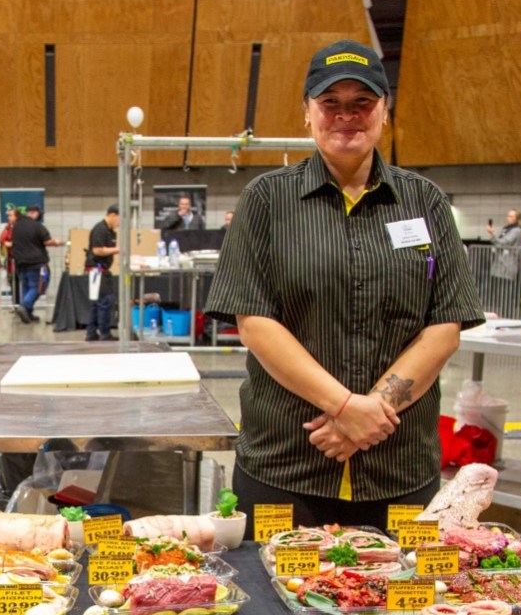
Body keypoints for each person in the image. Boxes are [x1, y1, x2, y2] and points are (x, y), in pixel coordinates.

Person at [204, 40, 483, 530]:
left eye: (362, 103)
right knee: (273, 603)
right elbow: (255, 323)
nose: (346, 116)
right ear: (306, 115)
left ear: (384, 113)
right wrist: (345, 408)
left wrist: (372, 414)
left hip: (396, 468)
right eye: (330, 103)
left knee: (401, 603)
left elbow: (444, 327)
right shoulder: (267, 201)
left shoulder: (425, 202)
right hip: (287, 464)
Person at [11, 205, 61, 323]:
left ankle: (28, 313)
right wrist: (57, 242)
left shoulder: (16, 226)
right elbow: (47, 241)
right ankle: (24, 306)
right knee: (39, 287)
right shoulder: (38, 226)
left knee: (26, 287)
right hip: (37, 263)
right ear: (34, 213)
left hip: (21, 263)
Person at [85, 205, 120, 341]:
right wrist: (117, 250)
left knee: (96, 303)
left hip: (102, 270)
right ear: (112, 215)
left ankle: (91, 332)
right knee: (106, 301)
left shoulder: (111, 232)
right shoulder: (100, 229)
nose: (119, 223)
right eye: (118, 219)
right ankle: (104, 333)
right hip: (97, 270)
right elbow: (97, 250)